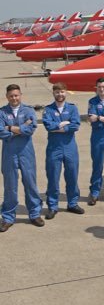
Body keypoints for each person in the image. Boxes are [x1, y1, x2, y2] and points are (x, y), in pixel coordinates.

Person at [0, 84, 44, 232]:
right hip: (9, 153)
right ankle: (8, 217)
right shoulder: (2, 112)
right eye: (11, 96)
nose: (14, 98)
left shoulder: (28, 110)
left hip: (26, 152)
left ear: (21, 95)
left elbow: (31, 129)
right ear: (7, 97)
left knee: (30, 183)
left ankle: (35, 213)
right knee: (10, 186)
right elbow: (1, 132)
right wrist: (21, 128)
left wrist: (10, 128)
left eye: (16, 95)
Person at [42, 82, 84, 219]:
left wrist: (60, 128)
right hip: (54, 148)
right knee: (53, 177)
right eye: (57, 92)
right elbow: (48, 126)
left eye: (62, 92)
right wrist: (64, 124)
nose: (60, 94)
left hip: (70, 147)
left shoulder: (72, 109)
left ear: (65, 92)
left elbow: (76, 125)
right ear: (53, 93)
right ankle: (53, 206)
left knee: (72, 176)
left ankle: (72, 203)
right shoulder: (48, 110)